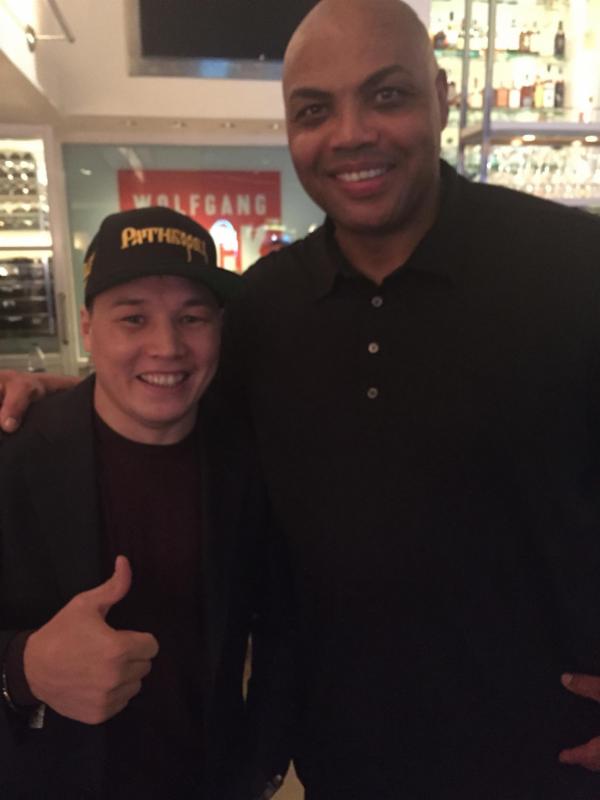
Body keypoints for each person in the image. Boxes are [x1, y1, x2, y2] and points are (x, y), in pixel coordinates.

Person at [4, 0, 600, 797]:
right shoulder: (263, 308)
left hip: (548, 759)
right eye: (315, 110)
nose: (350, 133)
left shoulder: (573, 267)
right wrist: (65, 398)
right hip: (343, 759)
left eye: (387, 95)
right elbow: (172, 397)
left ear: (441, 96)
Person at [0, 206, 291, 799]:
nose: (167, 346)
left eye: (192, 318)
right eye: (133, 318)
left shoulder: (252, 459)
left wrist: (260, 764)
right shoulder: (13, 454)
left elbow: (283, 623)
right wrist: (20, 668)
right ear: (88, 328)